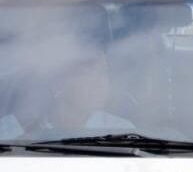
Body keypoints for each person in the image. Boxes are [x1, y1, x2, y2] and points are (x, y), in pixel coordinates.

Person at [0, 49, 133, 140]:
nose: (100, 83)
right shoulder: (10, 129)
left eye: (104, 72)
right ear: (57, 82)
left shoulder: (120, 132)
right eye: (86, 73)